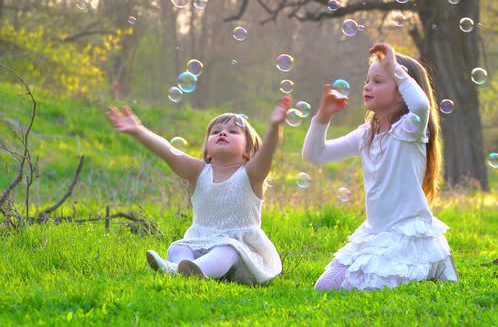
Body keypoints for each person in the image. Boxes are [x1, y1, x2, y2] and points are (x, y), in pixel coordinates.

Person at [302, 43, 458, 291]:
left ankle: (428, 264)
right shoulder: (367, 134)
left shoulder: (409, 129)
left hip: (406, 235)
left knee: (369, 286)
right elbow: (315, 154)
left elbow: (421, 106)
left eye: (377, 81)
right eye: (367, 81)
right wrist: (322, 118)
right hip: (375, 233)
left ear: (402, 93)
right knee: (325, 286)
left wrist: (394, 67)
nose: (367, 86)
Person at [106, 96, 292, 285]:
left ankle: (187, 270)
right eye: (216, 131)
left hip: (241, 254)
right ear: (208, 152)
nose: (223, 133)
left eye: (233, 131)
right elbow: (168, 151)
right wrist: (138, 131)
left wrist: (275, 127)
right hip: (201, 241)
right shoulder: (198, 172)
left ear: (249, 151)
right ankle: (182, 268)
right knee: (178, 247)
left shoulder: (251, 175)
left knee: (226, 251)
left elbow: (267, 154)